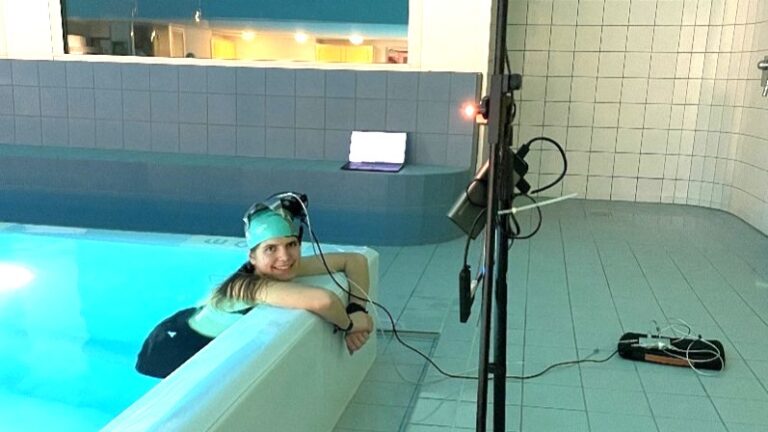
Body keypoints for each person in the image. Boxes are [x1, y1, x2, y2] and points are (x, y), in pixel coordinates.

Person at [136, 195, 373, 378]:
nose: (285, 257)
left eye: (291, 244)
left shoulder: (277, 267)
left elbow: (355, 261)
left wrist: (356, 309)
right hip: (173, 344)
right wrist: (351, 325)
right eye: (271, 248)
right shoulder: (253, 286)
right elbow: (324, 301)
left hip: (193, 320)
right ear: (253, 256)